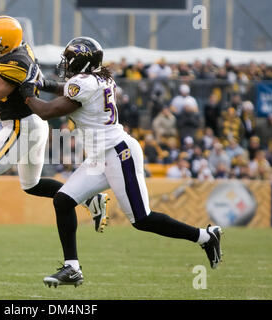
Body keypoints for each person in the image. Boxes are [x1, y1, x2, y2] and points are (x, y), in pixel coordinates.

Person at [18, 36, 223, 287]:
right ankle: (72, 268)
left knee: (142, 219)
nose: (65, 63)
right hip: (100, 156)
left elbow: (48, 111)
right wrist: (43, 83)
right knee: (62, 200)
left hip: (118, 153)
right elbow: (68, 88)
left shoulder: (84, 83)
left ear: (81, 63)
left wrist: (27, 94)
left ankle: (204, 236)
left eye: (69, 59)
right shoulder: (99, 78)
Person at [0, 16, 108, 263]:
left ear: (4, 44)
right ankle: (90, 197)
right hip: (31, 125)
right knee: (32, 185)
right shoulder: (17, 48)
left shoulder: (14, 64)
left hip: (21, 127)